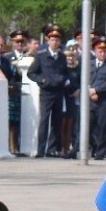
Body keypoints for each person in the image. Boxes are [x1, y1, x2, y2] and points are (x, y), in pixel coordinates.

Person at [27, 24, 71, 158]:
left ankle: (53, 149)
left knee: (57, 121)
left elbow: (66, 72)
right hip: (46, 93)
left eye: (57, 40)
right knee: (44, 120)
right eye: (52, 39)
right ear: (48, 41)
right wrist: (43, 81)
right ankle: (41, 150)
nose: (55, 42)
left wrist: (64, 80)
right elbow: (31, 73)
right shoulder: (41, 56)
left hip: (58, 92)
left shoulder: (62, 57)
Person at [87, 38, 106, 159]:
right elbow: (84, 78)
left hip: (104, 101)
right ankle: (91, 147)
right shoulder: (89, 64)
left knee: (102, 127)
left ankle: (100, 153)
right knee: (89, 125)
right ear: (95, 51)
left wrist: (96, 90)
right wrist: (90, 90)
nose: (102, 53)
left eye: (104, 51)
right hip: (90, 100)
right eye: (100, 51)